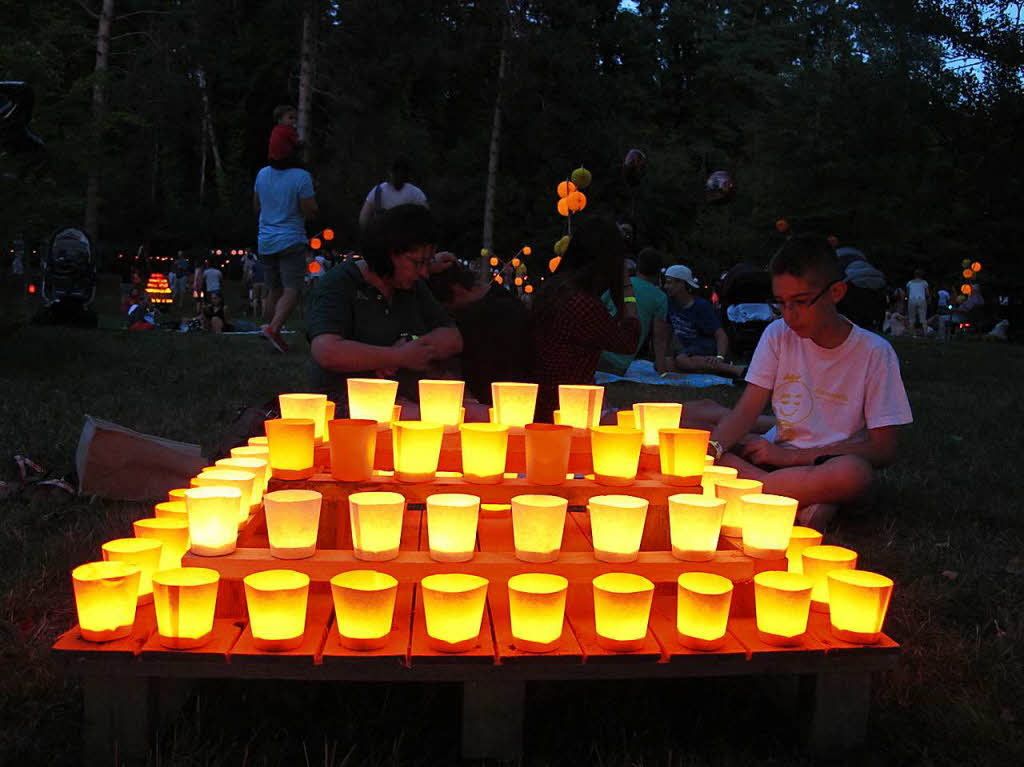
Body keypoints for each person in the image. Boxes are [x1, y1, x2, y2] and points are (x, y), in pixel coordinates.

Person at [707, 234, 913, 530]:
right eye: (781, 303)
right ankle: (800, 502)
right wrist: (710, 449)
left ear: (836, 292)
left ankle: (750, 492)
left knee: (853, 475)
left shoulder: (874, 353)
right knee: (702, 442)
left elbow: (883, 450)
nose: (789, 316)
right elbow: (746, 412)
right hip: (771, 457)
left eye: (801, 302)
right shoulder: (777, 335)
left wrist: (792, 458)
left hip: (828, 464)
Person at [306, 204, 462, 414]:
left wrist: (412, 342)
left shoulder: (412, 286)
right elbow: (326, 350)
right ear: (388, 253)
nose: (425, 272)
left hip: (407, 399)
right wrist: (396, 357)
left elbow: (452, 337)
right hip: (349, 408)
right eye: (417, 263)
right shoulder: (341, 284)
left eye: (427, 262)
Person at [532, 216, 640, 422]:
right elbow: (629, 341)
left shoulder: (553, 288)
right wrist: (626, 287)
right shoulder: (583, 304)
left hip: (543, 398)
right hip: (567, 410)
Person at [427, 260, 532, 410]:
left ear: (457, 290)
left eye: (447, 308)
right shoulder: (509, 301)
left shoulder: (474, 318)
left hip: (491, 406)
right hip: (519, 400)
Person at [254, 122, 318, 352]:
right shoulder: (301, 177)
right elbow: (309, 210)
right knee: (293, 289)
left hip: (266, 241)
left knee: (274, 290)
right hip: (290, 240)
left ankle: (268, 329)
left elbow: (256, 206)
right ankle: (274, 328)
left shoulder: (262, 174)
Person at [663, 264, 746, 378]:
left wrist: (719, 357)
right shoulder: (670, 303)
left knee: (681, 360)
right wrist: (666, 354)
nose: (666, 286)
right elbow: (667, 330)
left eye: (669, 282)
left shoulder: (701, 306)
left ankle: (733, 369)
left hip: (708, 347)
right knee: (663, 364)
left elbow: (721, 334)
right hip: (691, 351)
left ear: (682, 284)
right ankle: (709, 369)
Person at [598, 247, 671, 375]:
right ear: (659, 272)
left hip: (593, 352)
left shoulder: (621, 284)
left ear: (637, 267)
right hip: (616, 365)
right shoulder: (660, 298)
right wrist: (663, 372)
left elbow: (597, 308)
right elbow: (659, 339)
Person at [358, 157, 428, 230]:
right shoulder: (378, 192)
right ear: (390, 172)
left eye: (401, 172)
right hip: (384, 238)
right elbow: (363, 221)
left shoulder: (415, 193)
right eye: (396, 171)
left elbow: (427, 217)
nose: (398, 175)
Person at [906, 268, 930, 337]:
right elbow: (927, 294)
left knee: (911, 318)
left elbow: (907, 293)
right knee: (923, 318)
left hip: (912, 300)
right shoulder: (924, 283)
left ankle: (913, 335)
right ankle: (925, 334)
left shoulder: (909, 283)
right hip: (921, 300)